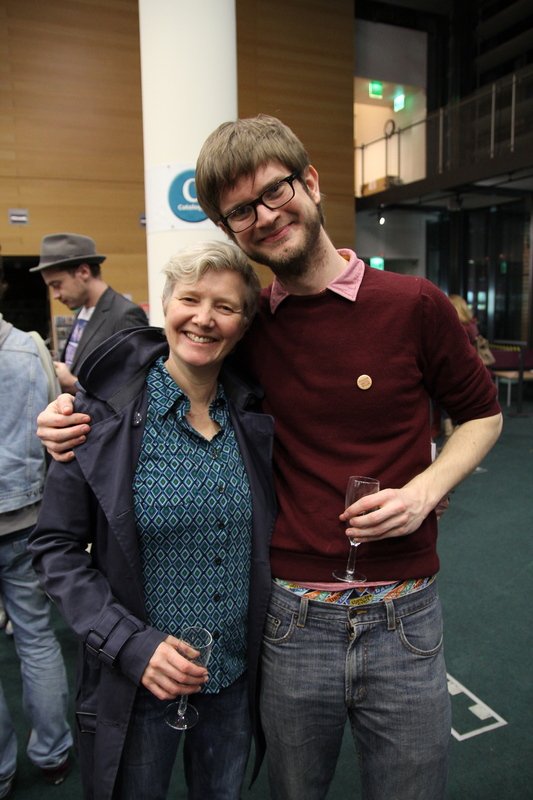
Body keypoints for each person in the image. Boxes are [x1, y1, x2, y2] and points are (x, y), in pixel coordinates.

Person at [36, 115, 503, 800]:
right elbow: (169, 351)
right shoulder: (251, 333)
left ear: (309, 181)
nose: (263, 216)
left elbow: (483, 415)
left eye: (274, 191)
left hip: (403, 612)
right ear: (230, 230)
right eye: (240, 211)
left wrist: (425, 490)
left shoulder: (415, 306)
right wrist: (71, 412)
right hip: (291, 619)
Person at [29, 241, 276, 800]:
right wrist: (131, 646)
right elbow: (55, 551)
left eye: (225, 307)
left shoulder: (254, 417)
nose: (204, 318)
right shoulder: (97, 419)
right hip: (135, 681)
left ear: (243, 325)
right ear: (165, 304)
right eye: (190, 299)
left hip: (232, 678)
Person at [0, 276, 73, 799]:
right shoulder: (30, 349)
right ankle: (53, 752)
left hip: (24, 517)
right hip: (27, 515)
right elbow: (56, 425)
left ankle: (1, 769)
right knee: (36, 635)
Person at [30, 232, 148, 394]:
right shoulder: (82, 311)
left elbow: (133, 387)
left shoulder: (126, 315)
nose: (55, 295)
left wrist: (73, 383)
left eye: (57, 285)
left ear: (84, 272)